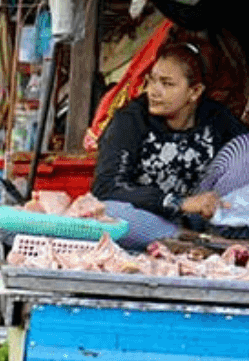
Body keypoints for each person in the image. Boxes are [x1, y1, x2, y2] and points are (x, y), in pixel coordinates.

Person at [92, 41, 247, 249]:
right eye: (152, 81)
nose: (154, 92)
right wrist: (178, 202)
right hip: (152, 218)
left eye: (167, 84)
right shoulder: (130, 121)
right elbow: (106, 187)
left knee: (245, 147)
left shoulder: (216, 118)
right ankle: (192, 243)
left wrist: (215, 204)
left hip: (204, 217)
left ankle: (220, 235)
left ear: (195, 91)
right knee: (109, 212)